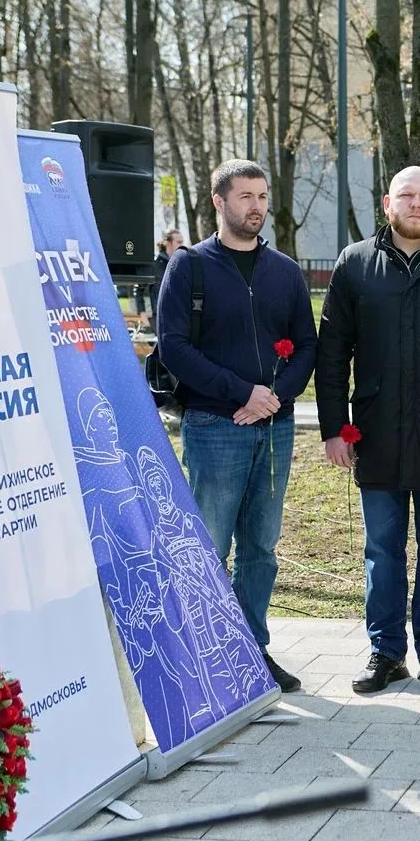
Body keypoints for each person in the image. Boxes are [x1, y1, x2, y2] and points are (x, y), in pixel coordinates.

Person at [315, 166, 420, 696]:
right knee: (381, 550)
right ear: (387, 202)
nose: (416, 205)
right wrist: (333, 428)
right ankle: (386, 653)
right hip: (374, 432)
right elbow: (331, 354)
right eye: (406, 196)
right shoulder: (354, 264)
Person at [156, 159, 317, 693]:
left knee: (261, 546)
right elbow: (174, 348)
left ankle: (252, 653)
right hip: (213, 426)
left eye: (263, 196)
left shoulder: (286, 271)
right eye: (245, 196)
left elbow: (308, 345)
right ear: (219, 200)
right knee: (208, 545)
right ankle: (202, 661)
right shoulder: (190, 267)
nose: (257, 206)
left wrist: (274, 398)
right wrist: (240, 392)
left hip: (275, 428)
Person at [141, 229, 183, 330]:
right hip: (157, 318)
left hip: (177, 317)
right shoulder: (153, 265)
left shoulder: (181, 264)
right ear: (168, 243)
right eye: (179, 242)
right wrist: (143, 314)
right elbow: (140, 289)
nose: (182, 245)